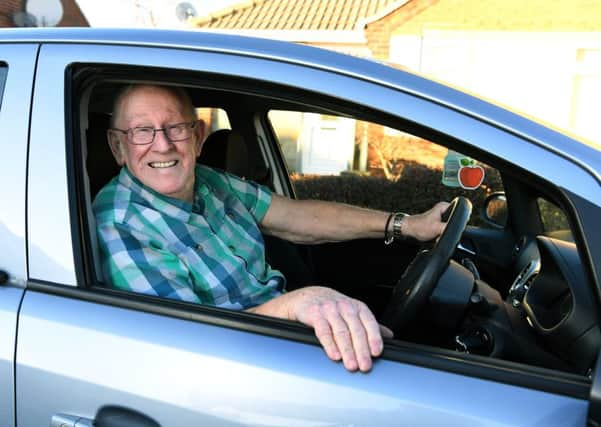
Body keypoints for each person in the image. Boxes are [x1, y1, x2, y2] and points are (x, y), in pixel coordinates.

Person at [93, 84, 449, 373]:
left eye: (175, 128)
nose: (163, 144)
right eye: (142, 131)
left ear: (199, 136)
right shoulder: (120, 225)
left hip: (280, 342)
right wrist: (295, 305)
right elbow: (188, 344)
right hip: (237, 370)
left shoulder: (210, 182)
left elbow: (300, 217)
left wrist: (406, 225)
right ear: (118, 146)